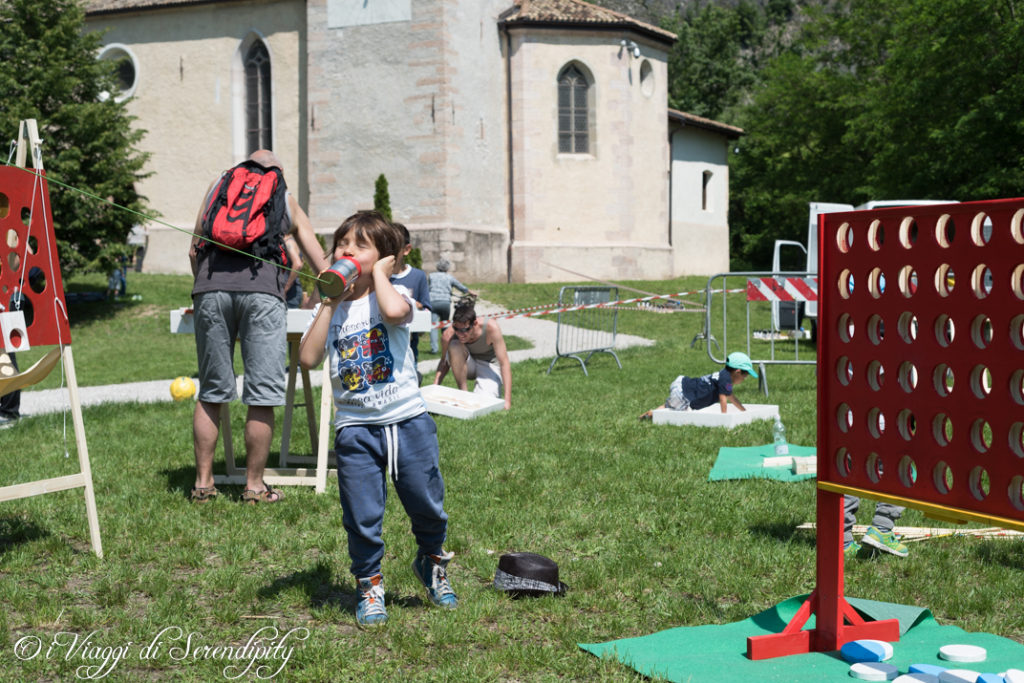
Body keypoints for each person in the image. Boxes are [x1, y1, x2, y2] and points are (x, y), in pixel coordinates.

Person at [298, 210, 457, 628]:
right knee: (363, 515)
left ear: (385, 259)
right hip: (355, 429)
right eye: (342, 243)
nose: (346, 249)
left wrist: (383, 274)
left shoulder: (393, 295)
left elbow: (393, 312)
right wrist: (329, 300)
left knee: (427, 502)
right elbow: (307, 357)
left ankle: (431, 562)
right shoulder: (332, 307)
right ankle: (369, 584)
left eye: (360, 245)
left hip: (408, 421)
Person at [188, 149, 328, 504]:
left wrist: (205, 288)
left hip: (210, 290)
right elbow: (319, 265)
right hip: (262, 294)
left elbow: (193, 251)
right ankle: (254, 486)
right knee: (262, 394)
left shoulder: (218, 186)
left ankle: (203, 484)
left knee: (211, 389)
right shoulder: (285, 198)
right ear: (277, 172)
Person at [433, 298, 512, 410]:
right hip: (468, 363)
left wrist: (507, 401)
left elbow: (504, 363)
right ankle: (463, 395)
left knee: (484, 405)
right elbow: (444, 362)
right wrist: (434, 388)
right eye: (456, 329)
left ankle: (482, 393)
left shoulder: (491, 328)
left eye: (465, 330)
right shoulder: (448, 335)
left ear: (474, 324)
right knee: (455, 345)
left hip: (488, 364)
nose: (460, 334)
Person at [638, 351, 757, 420]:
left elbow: (731, 397)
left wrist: (744, 411)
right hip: (684, 394)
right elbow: (723, 399)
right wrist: (724, 418)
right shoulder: (725, 379)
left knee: (669, 406)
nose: (745, 378)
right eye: (745, 375)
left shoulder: (724, 377)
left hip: (681, 387)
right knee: (678, 418)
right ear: (737, 372)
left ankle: (651, 413)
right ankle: (654, 415)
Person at [389, 224, 430, 370]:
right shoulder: (376, 277)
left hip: (409, 350)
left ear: (406, 250)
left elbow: (426, 309)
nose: (387, 251)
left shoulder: (418, 276)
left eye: (393, 247)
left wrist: (415, 306)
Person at [427, 258, 473, 354]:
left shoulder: (431, 276)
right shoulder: (449, 277)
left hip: (433, 302)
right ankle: (447, 346)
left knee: (433, 326)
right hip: (445, 303)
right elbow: (460, 286)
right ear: (447, 268)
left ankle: (434, 349)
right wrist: (469, 292)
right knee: (445, 325)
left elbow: (427, 288)